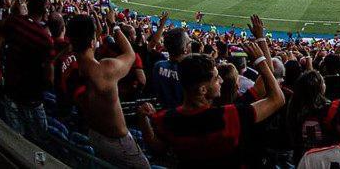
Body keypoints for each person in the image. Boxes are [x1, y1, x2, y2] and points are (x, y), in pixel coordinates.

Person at [138, 43, 285, 166]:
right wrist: (260, 61)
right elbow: (277, 99)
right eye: (216, 78)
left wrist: (143, 120)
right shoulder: (228, 116)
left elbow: (158, 146)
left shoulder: (166, 118)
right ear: (202, 89)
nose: (221, 80)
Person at [67, 13, 150, 168]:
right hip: (116, 140)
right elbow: (130, 55)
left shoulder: (70, 70)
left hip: (93, 134)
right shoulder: (104, 70)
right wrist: (115, 26)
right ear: (92, 41)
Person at [1, 0, 54, 141]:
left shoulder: (13, 21)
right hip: (32, 96)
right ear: (43, 9)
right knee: (39, 138)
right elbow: (49, 79)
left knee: (16, 137)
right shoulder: (45, 38)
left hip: (11, 90)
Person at [152, 27, 191, 108]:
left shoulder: (158, 66)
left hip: (162, 113)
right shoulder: (189, 70)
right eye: (189, 42)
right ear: (185, 49)